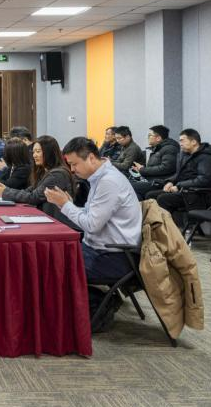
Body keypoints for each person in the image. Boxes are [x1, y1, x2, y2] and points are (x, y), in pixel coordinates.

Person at [45, 137, 142, 332]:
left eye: (74, 164)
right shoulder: (99, 178)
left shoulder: (109, 182)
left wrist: (65, 205)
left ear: (90, 158)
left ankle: (75, 316)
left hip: (114, 257)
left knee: (52, 267)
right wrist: (69, 205)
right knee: (49, 256)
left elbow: (91, 225)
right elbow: (91, 216)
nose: (72, 170)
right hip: (99, 249)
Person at [0, 135, 75, 225]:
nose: (34, 155)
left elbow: (34, 197)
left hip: (59, 223)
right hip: (46, 217)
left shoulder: (57, 174)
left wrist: (5, 192)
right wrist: (5, 191)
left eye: (38, 151)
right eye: (33, 152)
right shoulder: (44, 171)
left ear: (49, 152)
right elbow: (29, 190)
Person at [145, 129, 211, 221]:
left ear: (193, 142)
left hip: (197, 195)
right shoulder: (186, 155)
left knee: (163, 198)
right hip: (185, 191)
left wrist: (179, 185)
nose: (180, 143)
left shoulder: (207, 158)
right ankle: (157, 225)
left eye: (182, 140)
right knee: (150, 195)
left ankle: (168, 227)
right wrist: (170, 182)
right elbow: (179, 174)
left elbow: (204, 180)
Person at [130, 125, 180, 200]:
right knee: (134, 192)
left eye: (150, 135)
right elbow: (154, 166)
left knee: (129, 187)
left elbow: (166, 168)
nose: (148, 138)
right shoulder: (158, 148)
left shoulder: (170, 149)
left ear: (158, 138)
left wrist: (143, 170)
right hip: (151, 180)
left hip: (160, 182)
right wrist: (141, 169)